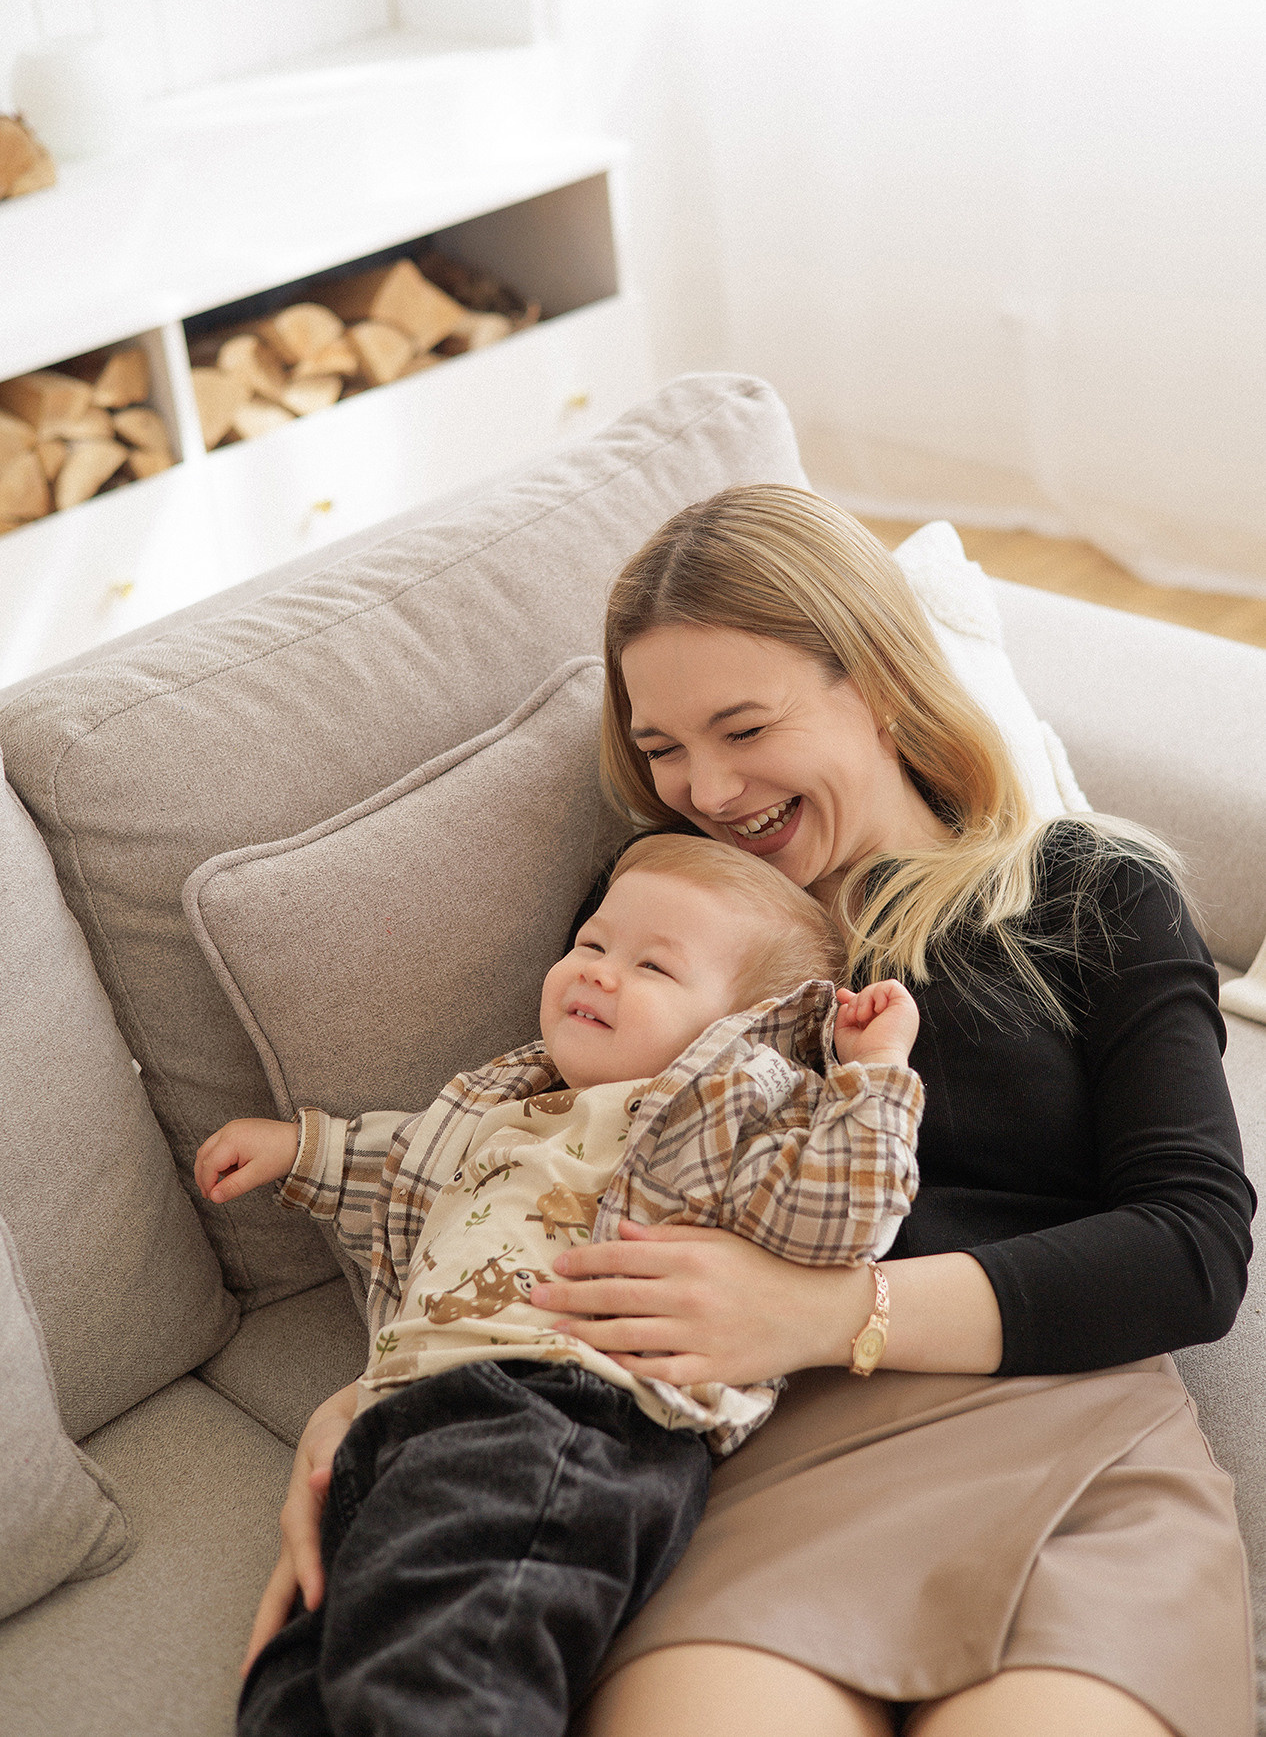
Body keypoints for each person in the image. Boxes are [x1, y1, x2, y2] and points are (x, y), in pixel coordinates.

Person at [254, 485, 1254, 1737]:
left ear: (880, 682)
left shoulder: (1086, 892)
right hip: (736, 1453)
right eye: (662, 746)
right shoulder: (653, 913)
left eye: (743, 726)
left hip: (1063, 1418)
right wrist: (385, 1404)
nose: (707, 789)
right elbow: (521, 1167)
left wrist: (833, 1309)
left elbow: (1194, 1243)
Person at [195, 831, 925, 1737]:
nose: (600, 972)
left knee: (447, 1674)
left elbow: (839, 1218)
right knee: (296, 1685)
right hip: (400, 1422)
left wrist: (874, 1076)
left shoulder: (724, 1116)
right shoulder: (506, 1105)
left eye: (654, 966)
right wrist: (302, 1150)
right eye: (592, 944)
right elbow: (405, 1171)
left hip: (567, 1417)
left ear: (742, 1030)